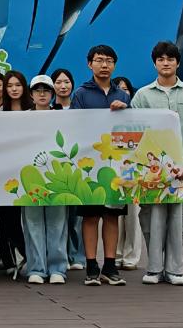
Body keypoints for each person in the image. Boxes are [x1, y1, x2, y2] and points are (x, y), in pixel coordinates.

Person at [131, 41, 183, 286]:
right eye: (161, 59)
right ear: (154, 63)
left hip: (182, 172)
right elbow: (135, 132)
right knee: (151, 219)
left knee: (179, 220)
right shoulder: (143, 96)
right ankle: (154, 269)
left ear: (177, 63)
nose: (165, 63)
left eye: (170, 59)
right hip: (153, 173)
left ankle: (175, 270)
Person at [70, 44, 131, 286]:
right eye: (99, 60)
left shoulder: (123, 95)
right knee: (91, 216)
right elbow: (74, 127)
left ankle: (110, 266)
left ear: (114, 65)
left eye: (109, 61)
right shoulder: (81, 94)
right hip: (89, 165)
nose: (104, 65)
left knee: (112, 215)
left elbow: (132, 129)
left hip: (116, 166)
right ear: (90, 64)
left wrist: (125, 110)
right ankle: (91, 266)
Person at [23, 75, 68, 285]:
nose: (42, 94)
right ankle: (36, 268)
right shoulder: (20, 119)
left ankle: (58, 268)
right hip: (30, 178)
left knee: (57, 222)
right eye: (37, 90)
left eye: (46, 90)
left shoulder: (63, 117)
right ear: (31, 94)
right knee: (32, 223)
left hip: (57, 177)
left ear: (52, 94)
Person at [0, 71, 30, 273]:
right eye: (9, 86)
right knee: (7, 217)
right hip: (5, 174)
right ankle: (9, 260)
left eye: (18, 85)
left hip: (30, 173)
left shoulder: (34, 111)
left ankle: (28, 256)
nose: (14, 89)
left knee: (27, 218)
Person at [50, 68, 82, 269]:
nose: (63, 86)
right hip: (55, 169)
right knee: (59, 217)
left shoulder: (80, 109)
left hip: (77, 167)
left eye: (67, 82)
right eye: (58, 82)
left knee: (76, 216)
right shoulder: (48, 110)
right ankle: (61, 254)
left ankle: (76, 256)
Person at [112, 75, 144, 271]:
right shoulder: (106, 114)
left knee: (133, 215)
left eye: (126, 89)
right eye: (118, 89)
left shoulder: (137, 115)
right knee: (114, 214)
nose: (122, 92)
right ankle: (115, 254)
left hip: (134, 169)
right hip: (113, 170)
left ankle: (131, 256)